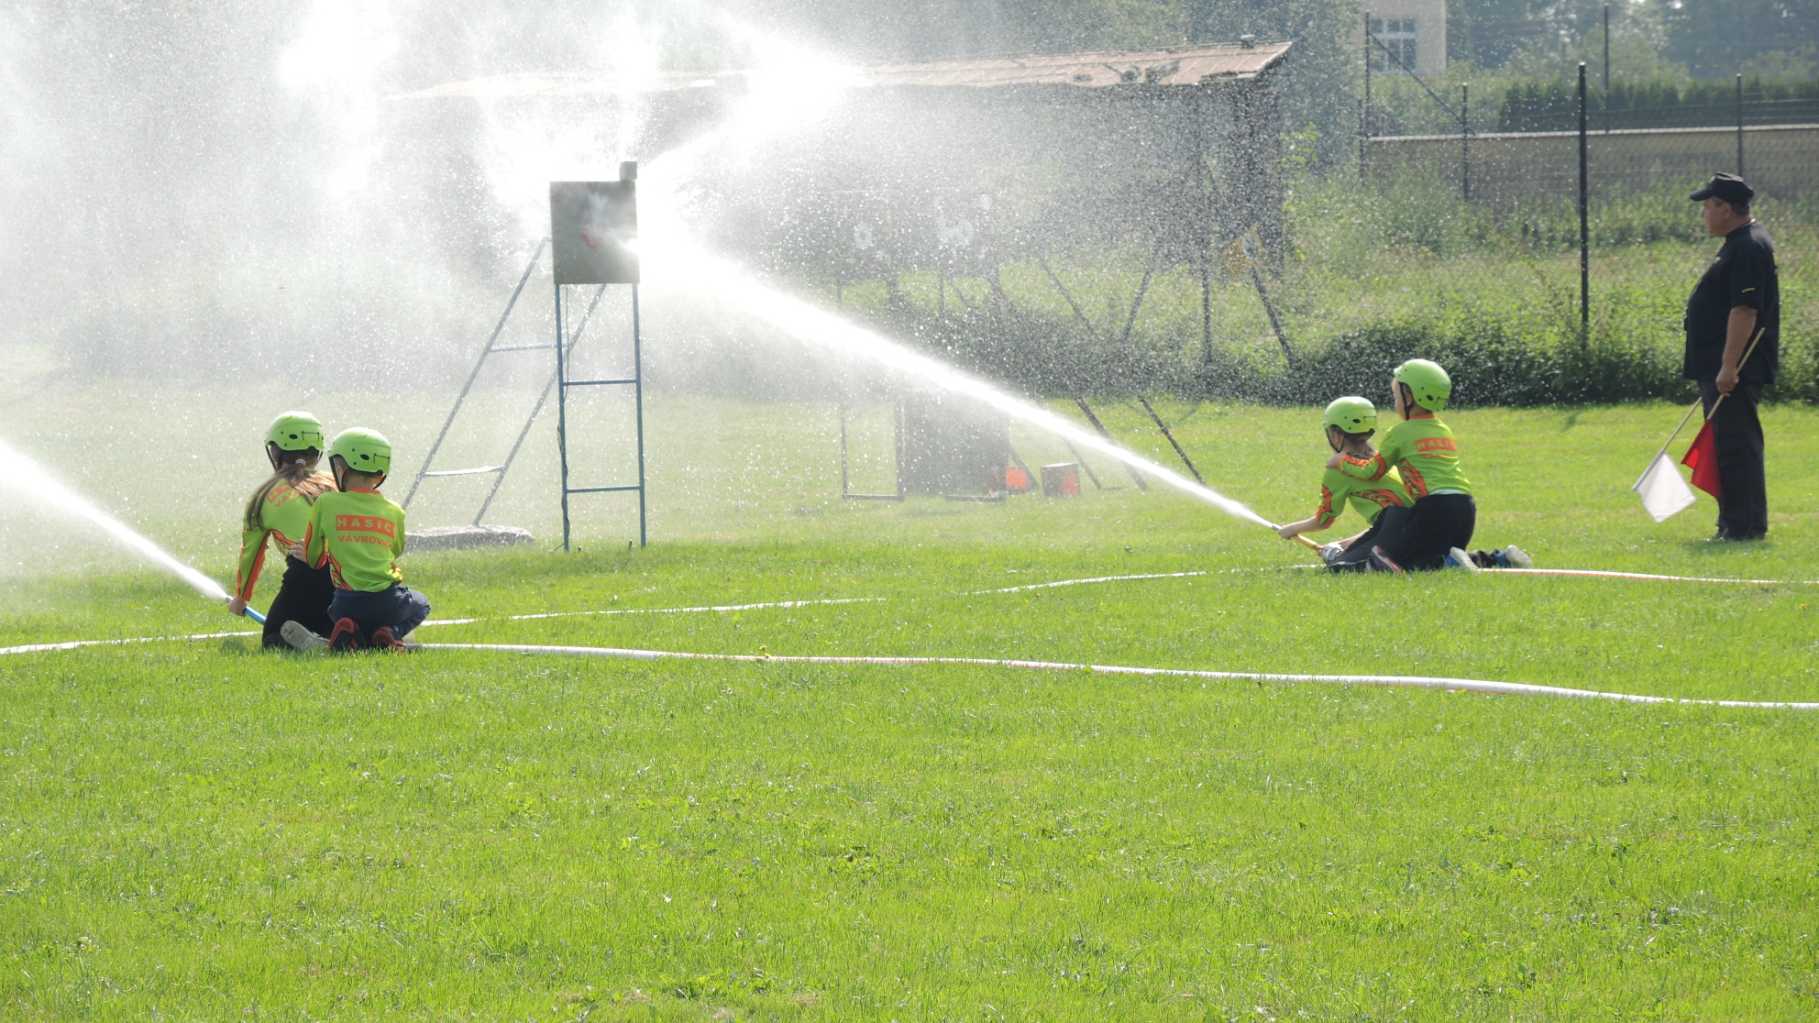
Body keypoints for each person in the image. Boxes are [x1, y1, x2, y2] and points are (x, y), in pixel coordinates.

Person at [1684, 171, 1778, 541]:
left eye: (1708, 206)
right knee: (1725, 444)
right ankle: (1732, 521)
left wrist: (1728, 365)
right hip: (1718, 365)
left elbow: (1745, 310)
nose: (1704, 213)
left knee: (1737, 446)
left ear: (1726, 208)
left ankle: (1744, 526)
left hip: (1735, 367)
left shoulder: (1749, 246)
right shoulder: (1737, 243)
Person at [282, 427, 430, 653]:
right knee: (421, 604)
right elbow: (396, 550)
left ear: (340, 468)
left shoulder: (326, 503)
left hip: (344, 604)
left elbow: (314, 558)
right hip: (387, 601)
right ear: (381, 474)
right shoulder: (395, 511)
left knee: (341, 609)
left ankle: (350, 630)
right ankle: (391, 633)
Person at [230, 411, 336, 649]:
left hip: (309, 574)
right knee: (333, 626)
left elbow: (252, 554)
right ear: (317, 451)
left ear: (275, 452)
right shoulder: (334, 483)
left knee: (273, 639)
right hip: (354, 575)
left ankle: (317, 642)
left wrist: (241, 597)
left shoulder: (264, 495)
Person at [1276, 396, 1411, 572]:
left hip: (1395, 532)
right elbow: (1380, 525)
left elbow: (1324, 520)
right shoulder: (1379, 461)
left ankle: (1381, 565)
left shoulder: (1339, 470)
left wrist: (1291, 529)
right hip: (1416, 527)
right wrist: (1342, 544)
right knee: (1345, 556)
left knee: (1339, 568)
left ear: (1335, 434)